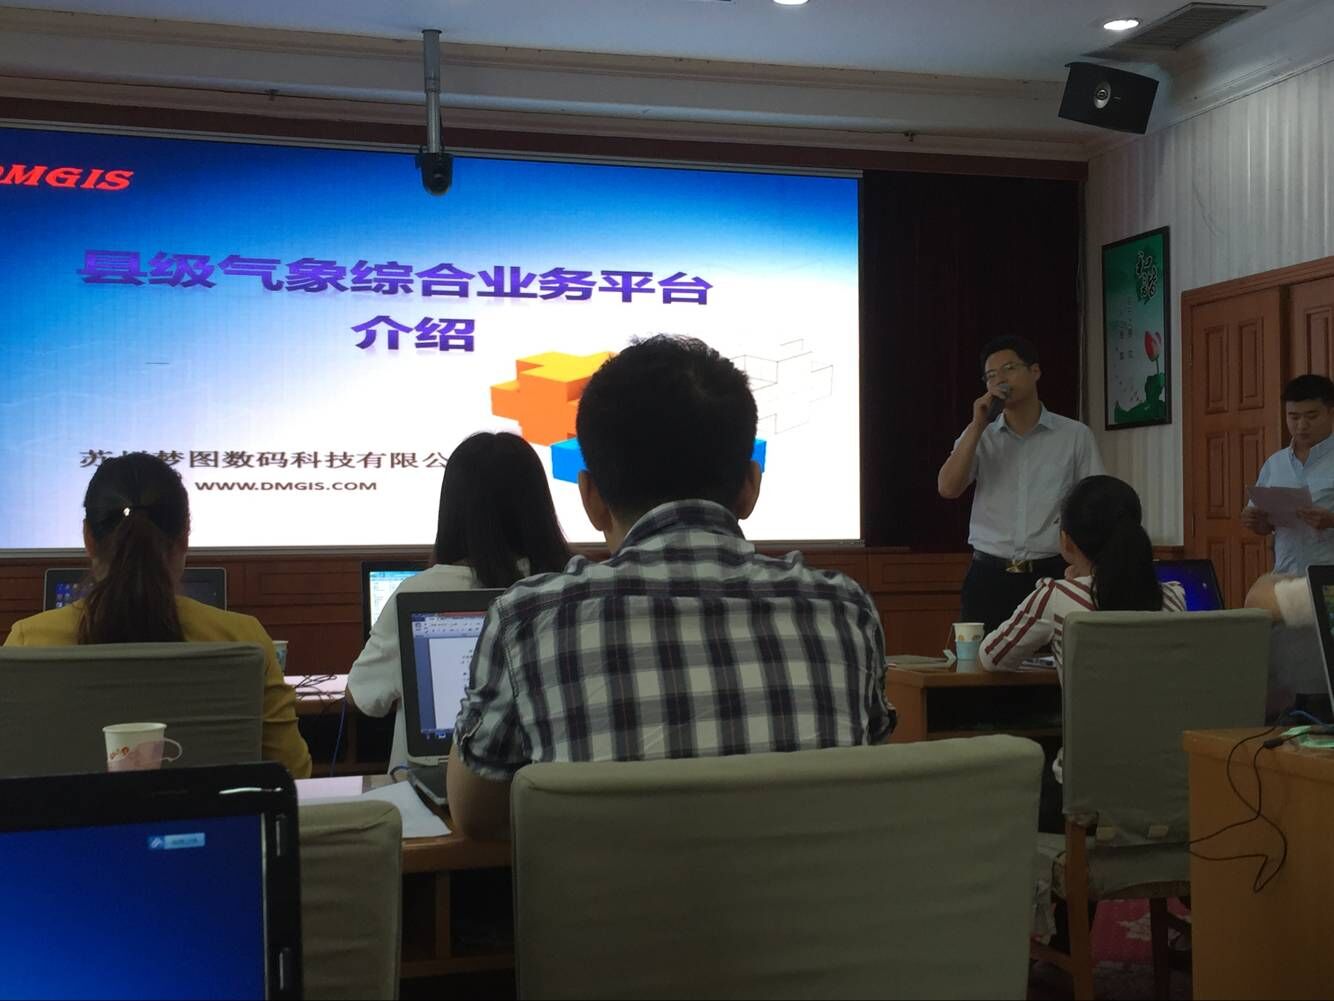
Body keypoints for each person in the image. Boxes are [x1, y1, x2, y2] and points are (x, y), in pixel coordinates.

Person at [446, 335, 893, 839]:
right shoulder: (845, 611)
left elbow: (475, 814)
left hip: (617, 894)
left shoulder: (527, 620)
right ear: (750, 485)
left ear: (590, 497)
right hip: (807, 894)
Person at [3, 452, 311, 778]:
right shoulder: (243, 637)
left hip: (71, 815)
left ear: (88, 539)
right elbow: (293, 774)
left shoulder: (29, 641)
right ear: (185, 536)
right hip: (212, 814)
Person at [345, 431, 571, 769]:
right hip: (545, 781)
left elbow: (361, 696)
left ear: (452, 510)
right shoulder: (570, 586)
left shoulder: (417, 593)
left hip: (437, 779)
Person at [937, 335, 1105, 634]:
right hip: (989, 576)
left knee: (1057, 660)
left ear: (1035, 371)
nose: (1000, 380)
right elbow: (948, 488)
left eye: (1009, 369)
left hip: (1052, 573)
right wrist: (977, 425)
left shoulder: (1074, 436)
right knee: (979, 660)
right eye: (991, 376)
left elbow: (1096, 503)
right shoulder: (981, 435)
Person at [979, 475, 1185, 675]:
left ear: (1066, 541)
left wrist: (1072, 585)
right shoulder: (1173, 597)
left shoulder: (1055, 597)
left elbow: (992, 657)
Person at [1242, 374, 1334, 576]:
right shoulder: (1275, 463)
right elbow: (1265, 527)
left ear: (1330, 412)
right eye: (1293, 417)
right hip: (1285, 577)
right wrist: (1256, 522)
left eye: (1311, 416)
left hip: (1329, 579)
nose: (1301, 425)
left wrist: (1331, 521)